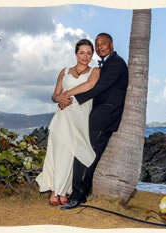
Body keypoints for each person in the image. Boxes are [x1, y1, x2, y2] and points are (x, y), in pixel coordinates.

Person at [59, 33, 129, 210]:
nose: (100, 47)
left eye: (103, 43)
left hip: (104, 116)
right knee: (86, 153)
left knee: (84, 153)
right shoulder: (106, 64)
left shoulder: (116, 63)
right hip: (98, 115)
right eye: (97, 45)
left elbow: (98, 87)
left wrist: (70, 97)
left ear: (111, 45)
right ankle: (81, 192)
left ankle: (77, 196)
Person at [35, 39, 101, 206]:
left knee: (72, 154)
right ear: (75, 54)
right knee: (58, 153)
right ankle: (55, 191)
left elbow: (89, 85)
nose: (85, 56)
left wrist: (67, 94)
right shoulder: (64, 71)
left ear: (92, 55)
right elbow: (54, 95)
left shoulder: (95, 70)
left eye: (88, 53)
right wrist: (59, 97)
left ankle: (63, 190)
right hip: (62, 117)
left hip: (80, 118)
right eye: (81, 53)